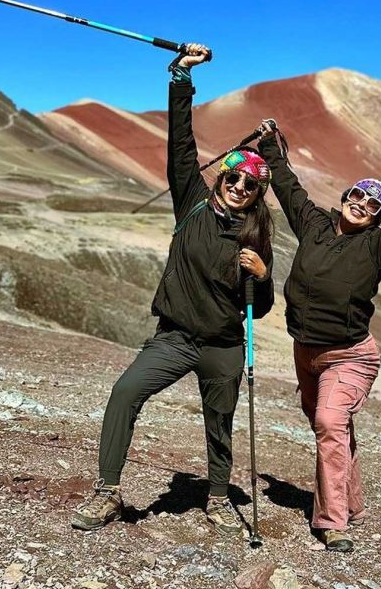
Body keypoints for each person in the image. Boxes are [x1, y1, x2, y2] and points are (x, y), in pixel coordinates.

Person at [72, 45, 275, 536]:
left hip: (224, 345)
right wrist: (182, 76)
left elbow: (259, 309)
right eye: (234, 178)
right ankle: (107, 492)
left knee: (220, 422)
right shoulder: (191, 204)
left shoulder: (256, 236)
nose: (239, 188)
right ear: (221, 176)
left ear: (256, 195)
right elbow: (181, 145)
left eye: (251, 185)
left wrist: (264, 277)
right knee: (125, 393)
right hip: (176, 337)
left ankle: (219, 497)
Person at [257, 121, 381, 552]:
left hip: (351, 355)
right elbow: (289, 188)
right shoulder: (313, 224)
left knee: (329, 422)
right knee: (333, 427)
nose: (362, 205)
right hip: (305, 349)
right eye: (358, 196)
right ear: (345, 197)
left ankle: (332, 523)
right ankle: (353, 503)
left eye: (373, 204)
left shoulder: (378, 245)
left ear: (377, 216)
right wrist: (270, 146)